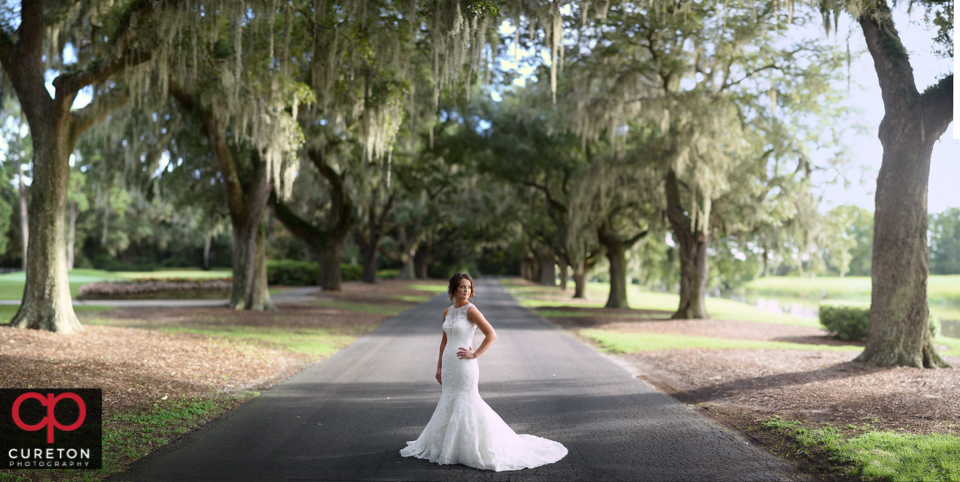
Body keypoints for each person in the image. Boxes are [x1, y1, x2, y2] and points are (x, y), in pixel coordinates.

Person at [399, 272, 568, 471]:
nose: (466, 290)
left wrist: (475, 353)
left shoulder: (471, 310)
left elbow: (491, 334)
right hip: (449, 365)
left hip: (464, 366)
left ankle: (470, 448)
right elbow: (444, 341)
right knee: (448, 400)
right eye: (462, 286)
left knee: (467, 401)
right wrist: (438, 366)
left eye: (469, 287)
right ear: (453, 288)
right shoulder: (447, 312)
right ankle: (449, 446)